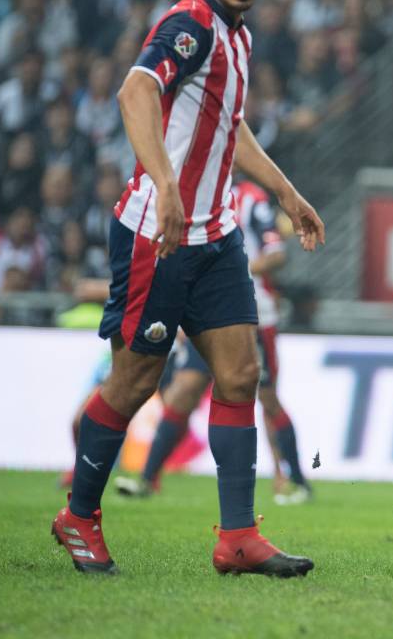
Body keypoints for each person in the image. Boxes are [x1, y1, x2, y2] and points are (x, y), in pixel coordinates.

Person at [51, 0, 325, 578]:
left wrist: (287, 194)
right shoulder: (190, 23)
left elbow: (231, 131)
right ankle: (78, 516)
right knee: (137, 377)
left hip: (218, 237)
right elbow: (134, 93)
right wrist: (166, 183)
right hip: (158, 235)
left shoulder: (239, 34)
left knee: (240, 374)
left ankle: (237, 538)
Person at [114, 180, 312, 503]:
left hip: (251, 311)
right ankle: (148, 479)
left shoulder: (251, 199)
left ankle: (298, 480)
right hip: (206, 310)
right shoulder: (197, 195)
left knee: (267, 398)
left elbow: (276, 254)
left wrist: (228, 274)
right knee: (183, 393)